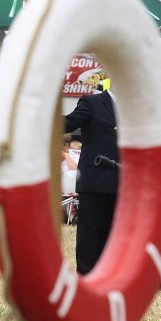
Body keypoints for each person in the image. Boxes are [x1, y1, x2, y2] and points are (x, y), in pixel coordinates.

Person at [65, 90, 118, 275]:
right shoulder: (92, 102)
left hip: (123, 181)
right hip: (95, 179)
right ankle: (86, 275)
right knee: (90, 232)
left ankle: (107, 274)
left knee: (113, 233)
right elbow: (69, 123)